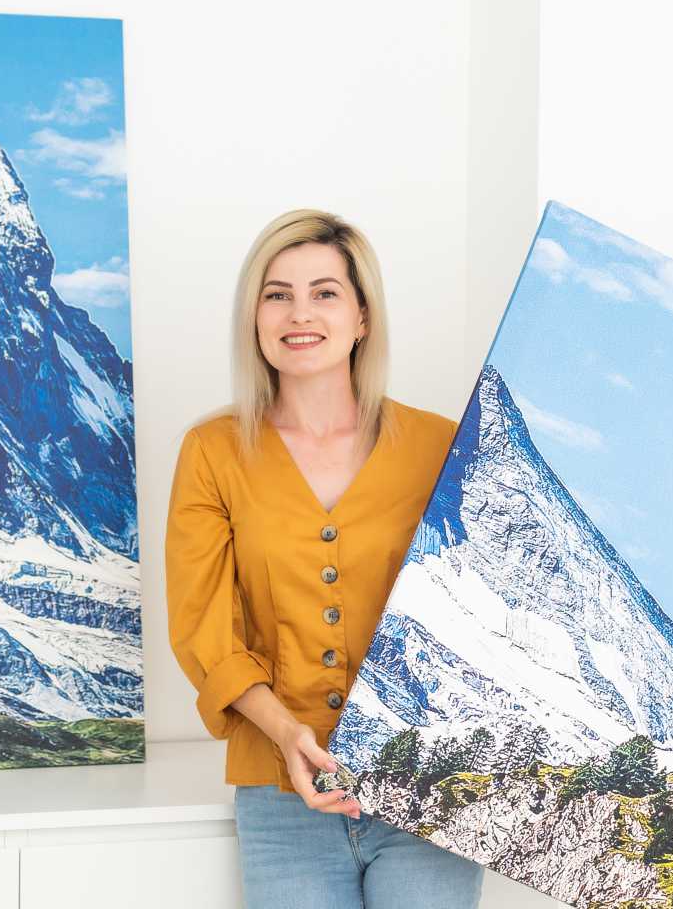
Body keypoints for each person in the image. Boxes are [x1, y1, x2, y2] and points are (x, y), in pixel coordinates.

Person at [164, 209, 484, 909]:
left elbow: (528, 599)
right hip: (283, 798)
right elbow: (202, 629)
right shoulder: (212, 452)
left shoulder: (442, 449)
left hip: (428, 792)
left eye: (325, 292)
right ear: (254, 316)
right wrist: (285, 735)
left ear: (363, 317)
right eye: (277, 293)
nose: (298, 312)